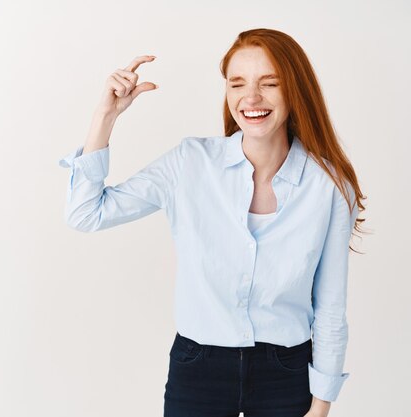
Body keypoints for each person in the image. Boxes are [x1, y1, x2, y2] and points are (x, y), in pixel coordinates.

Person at [58, 28, 366, 417]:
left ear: (295, 91)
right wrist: (106, 116)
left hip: (286, 373)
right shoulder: (190, 163)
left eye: (269, 83)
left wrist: (320, 406)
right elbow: (86, 212)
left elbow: (331, 307)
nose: (250, 98)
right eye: (237, 84)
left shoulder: (330, 186)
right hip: (198, 368)